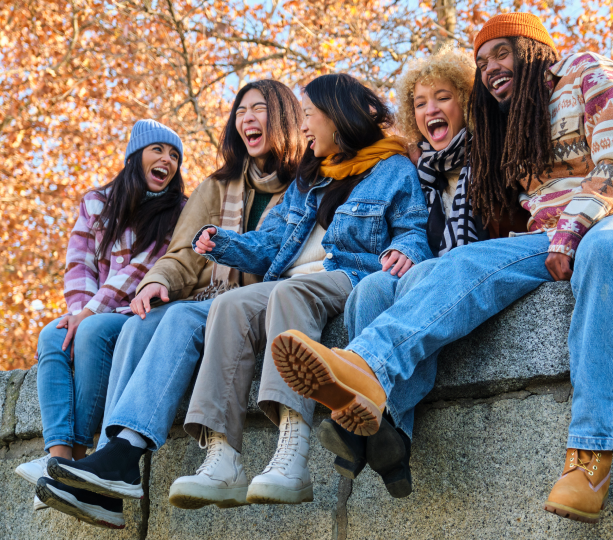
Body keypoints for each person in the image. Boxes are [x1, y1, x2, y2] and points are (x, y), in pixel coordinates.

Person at [271, 13, 613, 524]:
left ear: (533, 50)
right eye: (482, 61)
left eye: (502, 53)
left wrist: (575, 227)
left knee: (603, 250)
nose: (491, 68)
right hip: (552, 235)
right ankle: (367, 367)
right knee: (463, 262)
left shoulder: (587, 70)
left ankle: (589, 456)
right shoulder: (508, 123)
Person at [164, 73, 433, 510]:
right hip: (291, 281)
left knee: (289, 294)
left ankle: (293, 451)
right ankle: (222, 458)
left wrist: (404, 248)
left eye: (309, 115)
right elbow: (271, 241)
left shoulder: (393, 167)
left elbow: (413, 228)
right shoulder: (307, 179)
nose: (303, 127)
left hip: (348, 275)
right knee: (229, 305)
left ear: (337, 116)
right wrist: (223, 242)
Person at [41, 80, 303, 526]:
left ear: (283, 118)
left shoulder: (303, 184)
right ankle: (108, 477)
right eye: (240, 111)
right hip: (209, 297)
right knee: (139, 323)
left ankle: (121, 458)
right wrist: (154, 283)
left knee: (179, 317)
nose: (247, 118)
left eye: (259, 109)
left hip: (260, 301)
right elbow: (181, 254)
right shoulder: (217, 186)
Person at [317, 46, 528, 499]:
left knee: (415, 279)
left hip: (485, 269)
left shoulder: (493, 152)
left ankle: (367, 432)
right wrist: (403, 250)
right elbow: (413, 231)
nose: (430, 109)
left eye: (443, 97)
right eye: (419, 103)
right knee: (372, 287)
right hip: (434, 275)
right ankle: (388, 437)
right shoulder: (423, 171)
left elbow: (514, 226)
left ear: (466, 102)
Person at [16, 119, 186, 529]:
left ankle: (80, 454)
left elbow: (146, 266)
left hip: (141, 312)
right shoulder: (97, 202)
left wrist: (89, 313)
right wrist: (77, 312)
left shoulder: (178, 211)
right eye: (159, 150)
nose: (168, 161)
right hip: (94, 309)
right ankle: (59, 460)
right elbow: (79, 265)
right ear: (136, 155)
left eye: (175, 156)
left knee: (90, 330)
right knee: (52, 336)